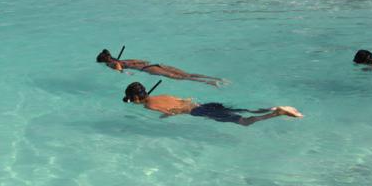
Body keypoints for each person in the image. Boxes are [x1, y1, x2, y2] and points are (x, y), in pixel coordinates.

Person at [122, 81, 302, 125]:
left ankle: (277, 112)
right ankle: (272, 108)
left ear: (137, 98)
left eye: (132, 100)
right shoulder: (163, 94)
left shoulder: (149, 105)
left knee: (245, 122)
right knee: (244, 110)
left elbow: (172, 112)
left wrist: (162, 117)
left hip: (199, 112)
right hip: (202, 105)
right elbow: (183, 100)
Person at [96, 46, 226, 86]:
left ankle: (210, 83)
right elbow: (142, 60)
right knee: (187, 73)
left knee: (181, 78)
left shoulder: (111, 63)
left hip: (148, 69)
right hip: (155, 64)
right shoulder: (124, 59)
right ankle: (216, 78)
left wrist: (125, 73)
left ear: (103, 61)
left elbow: (118, 67)